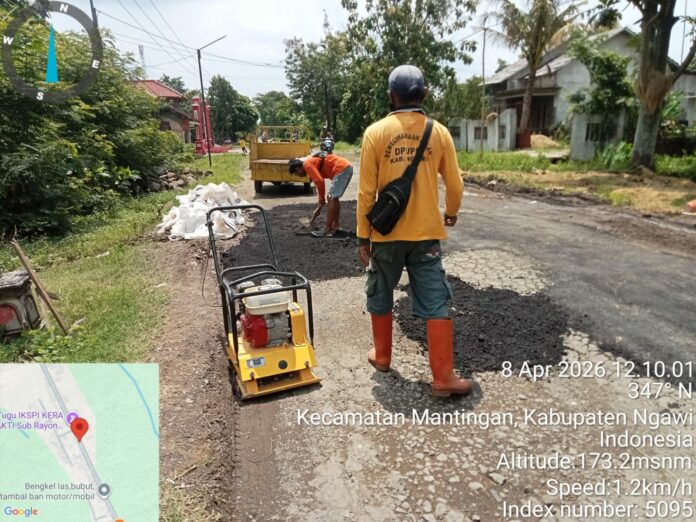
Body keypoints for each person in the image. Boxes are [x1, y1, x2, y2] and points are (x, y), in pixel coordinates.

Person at [356, 64, 471, 397]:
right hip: (426, 236)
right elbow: (455, 183)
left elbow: (366, 193)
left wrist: (363, 236)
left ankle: (382, 356)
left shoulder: (375, 132)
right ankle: (443, 377)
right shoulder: (439, 132)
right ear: (424, 94)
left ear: (391, 96)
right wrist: (451, 212)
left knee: (380, 292)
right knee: (435, 301)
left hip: (386, 235)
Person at [288, 153, 353, 238]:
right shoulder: (310, 161)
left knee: (331, 197)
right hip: (345, 167)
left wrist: (321, 202)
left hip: (341, 168)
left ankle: (327, 229)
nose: (298, 176)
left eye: (296, 174)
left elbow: (319, 181)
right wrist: (320, 204)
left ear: (298, 169)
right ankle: (335, 226)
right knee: (334, 198)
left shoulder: (306, 165)